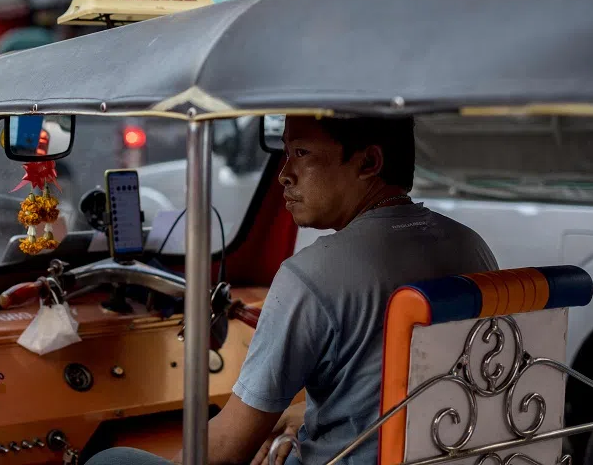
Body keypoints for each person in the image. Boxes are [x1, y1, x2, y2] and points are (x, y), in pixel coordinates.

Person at [87, 115, 498, 465]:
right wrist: (301, 413)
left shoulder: (311, 276)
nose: (284, 173)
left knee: (112, 459)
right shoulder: (472, 247)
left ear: (369, 162)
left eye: (301, 153)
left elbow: (230, 448)